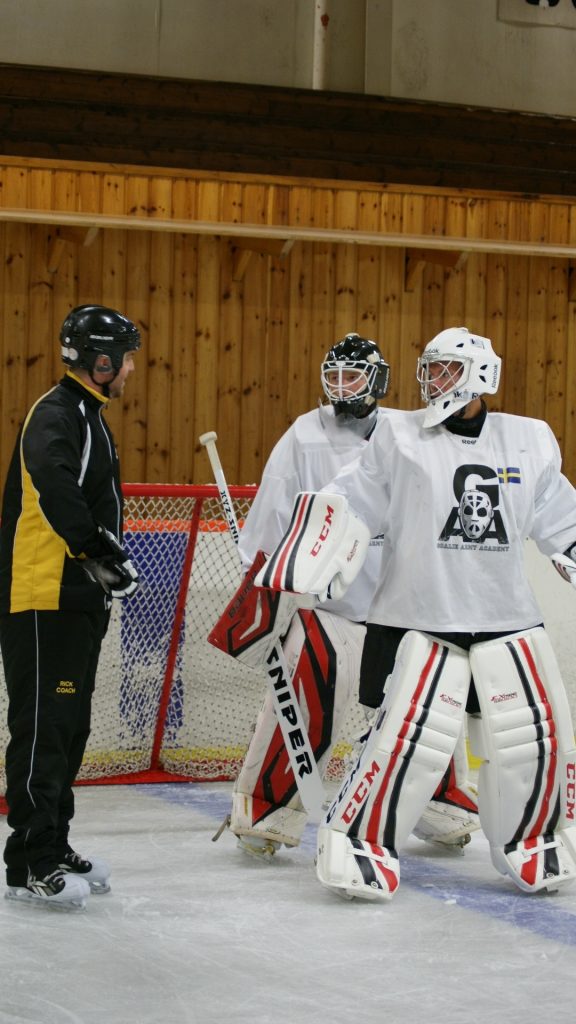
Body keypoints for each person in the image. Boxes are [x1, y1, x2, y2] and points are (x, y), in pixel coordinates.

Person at [258, 325, 576, 900]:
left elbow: (559, 513)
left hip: (506, 618)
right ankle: (360, 843)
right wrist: (316, 548)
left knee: (535, 740)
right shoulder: (398, 436)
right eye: (429, 369)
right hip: (417, 619)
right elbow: (351, 498)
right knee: (402, 744)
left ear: (482, 375)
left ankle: (536, 838)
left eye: (447, 369)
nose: (433, 380)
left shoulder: (528, 439)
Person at [225, 332, 479, 859]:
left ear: (378, 380)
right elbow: (272, 517)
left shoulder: (412, 431)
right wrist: (265, 593)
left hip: (403, 607)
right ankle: (267, 809)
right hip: (330, 607)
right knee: (304, 706)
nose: (342, 387)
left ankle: (440, 804)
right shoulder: (304, 435)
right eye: (334, 376)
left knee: (429, 712)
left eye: (353, 376)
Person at [0, 304, 141, 910]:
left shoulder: (89, 414)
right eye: (126, 359)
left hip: (76, 597)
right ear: (101, 361)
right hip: (43, 597)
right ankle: (30, 861)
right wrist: (98, 552)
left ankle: (53, 844)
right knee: (43, 729)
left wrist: (99, 568)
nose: (131, 369)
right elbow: (54, 485)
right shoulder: (57, 413)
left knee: (70, 727)